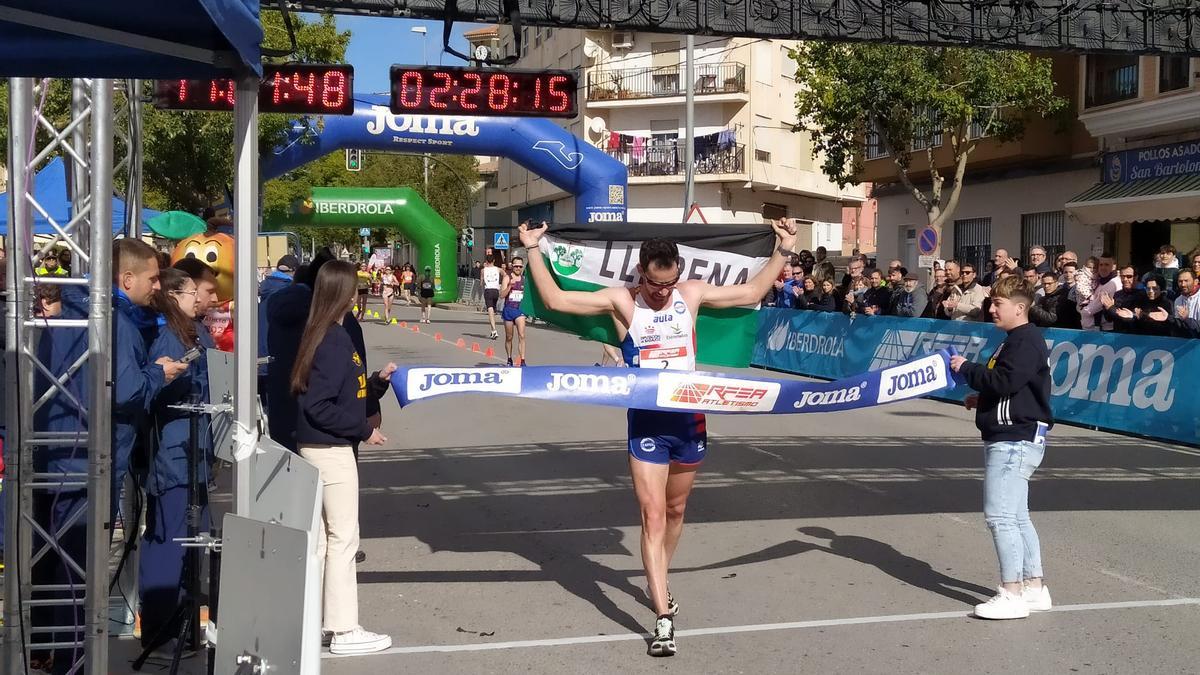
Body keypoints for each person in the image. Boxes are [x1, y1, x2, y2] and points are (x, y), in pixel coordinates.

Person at [518, 217, 799, 657]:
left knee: (675, 508)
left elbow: (750, 293)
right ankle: (662, 614)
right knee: (651, 515)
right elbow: (554, 299)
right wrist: (533, 248)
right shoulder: (622, 301)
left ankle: (659, 576)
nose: (661, 292)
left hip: (689, 419)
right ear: (641, 273)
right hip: (647, 422)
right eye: (654, 284)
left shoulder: (690, 294)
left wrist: (783, 249)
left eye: (667, 284)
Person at [291, 261, 396, 655]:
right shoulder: (332, 340)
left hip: (323, 446)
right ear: (341, 293)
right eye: (353, 290)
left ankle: (317, 621)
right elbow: (318, 405)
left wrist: (376, 384)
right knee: (343, 538)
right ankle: (343, 627)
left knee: (323, 541)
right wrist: (365, 430)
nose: (357, 296)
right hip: (331, 450)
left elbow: (340, 394)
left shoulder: (325, 334)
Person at [949, 275, 1053, 620]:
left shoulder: (1024, 341)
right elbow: (1014, 387)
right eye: (991, 302)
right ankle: (1034, 587)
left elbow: (1007, 380)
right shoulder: (1016, 340)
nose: (990, 308)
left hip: (1013, 439)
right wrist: (982, 399)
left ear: (1020, 308)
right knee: (1017, 516)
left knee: (999, 516)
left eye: (998, 304)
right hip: (1014, 434)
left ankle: (1011, 593)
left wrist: (967, 369)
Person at [140, 268, 214, 656]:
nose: (203, 300)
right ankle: (158, 631)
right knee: (168, 541)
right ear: (175, 295)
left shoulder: (193, 331)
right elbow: (151, 391)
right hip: (174, 453)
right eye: (194, 293)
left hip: (194, 450)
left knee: (191, 541)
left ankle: (183, 625)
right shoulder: (166, 335)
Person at [255, 254, 297, 411]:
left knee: (265, 410)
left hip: (260, 357)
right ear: (294, 272)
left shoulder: (263, 289)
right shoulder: (291, 295)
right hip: (280, 360)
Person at [500, 256, 529, 366]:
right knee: (509, 337)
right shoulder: (507, 278)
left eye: (520, 266)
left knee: (521, 335)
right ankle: (509, 358)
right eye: (516, 266)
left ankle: (522, 360)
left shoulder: (524, 279)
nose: (518, 268)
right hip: (508, 310)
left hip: (520, 310)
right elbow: (501, 295)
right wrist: (509, 287)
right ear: (512, 266)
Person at [481, 255, 502, 339]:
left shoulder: (483, 270)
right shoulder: (498, 269)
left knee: (490, 310)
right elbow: (505, 275)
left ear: (486, 261)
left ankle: (494, 330)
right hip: (496, 290)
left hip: (488, 290)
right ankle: (492, 330)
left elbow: (481, 282)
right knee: (493, 309)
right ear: (494, 260)